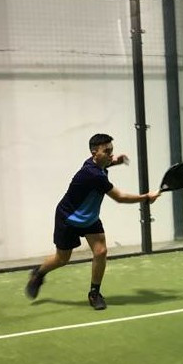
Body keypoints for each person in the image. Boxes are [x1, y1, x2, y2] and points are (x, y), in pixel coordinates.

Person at [25, 133, 160, 310]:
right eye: (107, 151)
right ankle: (38, 274)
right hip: (68, 218)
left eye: (112, 150)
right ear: (94, 152)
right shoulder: (93, 174)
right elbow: (120, 197)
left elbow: (105, 164)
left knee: (101, 251)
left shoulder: (94, 163)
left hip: (89, 218)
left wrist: (116, 162)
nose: (111, 154)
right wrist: (146, 197)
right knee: (62, 259)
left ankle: (94, 293)